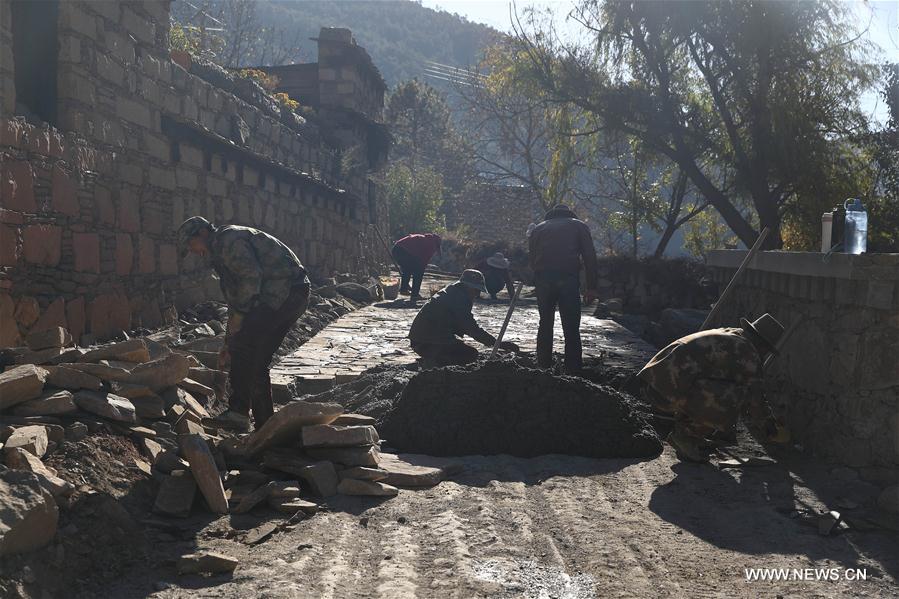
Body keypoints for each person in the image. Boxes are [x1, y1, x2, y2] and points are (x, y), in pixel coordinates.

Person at [177, 216, 310, 432]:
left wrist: (237, 335)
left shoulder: (227, 241)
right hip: (289, 294)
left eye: (192, 245)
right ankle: (266, 427)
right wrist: (227, 343)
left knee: (246, 348)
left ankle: (238, 412)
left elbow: (251, 280)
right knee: (255, 358)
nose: (194, 252)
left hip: (285, 292)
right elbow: (237, 301)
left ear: (202, 234)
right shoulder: (221, 254)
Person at [636, 313, 791, 463]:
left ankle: (691, 434)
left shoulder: (731, 335)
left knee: (723, 387)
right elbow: (755, 399)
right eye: (766, 350)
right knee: (733, 395)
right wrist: (770, 428)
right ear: (762, 344)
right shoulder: (747, 352)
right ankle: (686, 436)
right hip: (664, 392)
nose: (764, 354)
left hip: (653, 382)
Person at [528, 204, 599, 372]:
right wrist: (592, 287)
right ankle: (573, 370)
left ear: (551, 215)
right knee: (571, 327)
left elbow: (531, 260)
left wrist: (539, 280)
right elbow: (590, 257)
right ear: (569, 214)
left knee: (545, 323)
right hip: (567, 278)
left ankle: (543, 366)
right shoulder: (579, 225)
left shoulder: (538, 228)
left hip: (543, 279)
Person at [409, 269, 519, 367]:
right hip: (426, 343)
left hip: (422, 339)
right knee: (470, 354)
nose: (477, 294)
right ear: (467, 286)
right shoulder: (458, 299)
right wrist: (497, 344)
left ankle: (434, 358)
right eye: (476, 290)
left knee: (461, 348)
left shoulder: (452, 291)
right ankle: (434, 363)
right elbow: (471, 328)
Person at [392, 233, 441, 301]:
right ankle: (415, 294)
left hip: (395, 249)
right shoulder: (432, 244)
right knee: (418, 273)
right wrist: (422, 269)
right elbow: (424, 260)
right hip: (403, 251)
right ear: (437, 243)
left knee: (407, 269)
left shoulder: (425, 239)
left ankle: (404, 289)